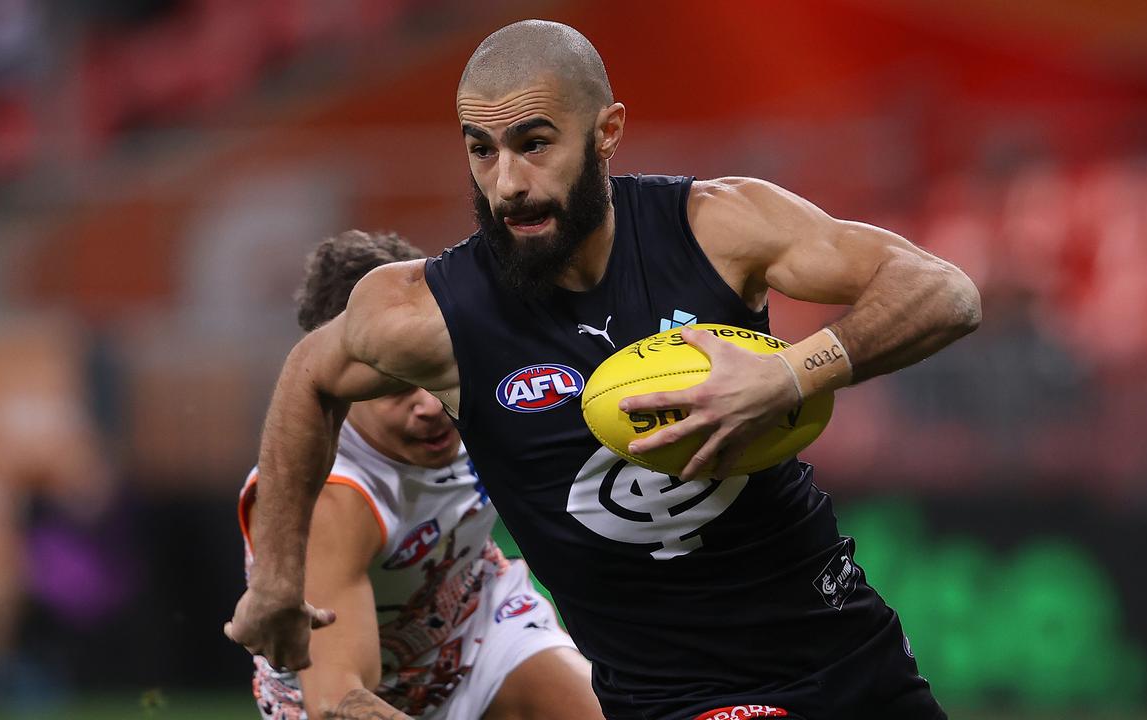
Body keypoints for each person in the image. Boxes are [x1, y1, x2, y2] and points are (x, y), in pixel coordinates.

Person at [226, 20, 982, 720]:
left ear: (608, 132)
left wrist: (790, 375)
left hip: (844, 642)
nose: (508, 184)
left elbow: (943, 291)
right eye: (482, 150)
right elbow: (310, 375)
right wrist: (276, 584)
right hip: (675, 693)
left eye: (534, 143)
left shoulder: (716, 228)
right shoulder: (431, 313)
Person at [236, 231, 603, 720]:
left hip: (481, 631)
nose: (430, 406)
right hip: (360, 698)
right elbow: (339, 703)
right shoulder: (334, 499)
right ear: (342, 382)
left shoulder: (475, 379)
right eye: (394, 389)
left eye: (426, 374)